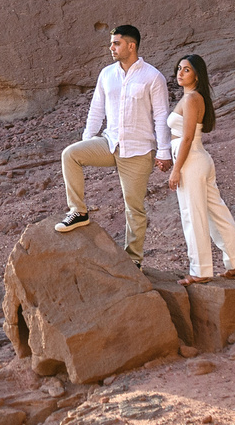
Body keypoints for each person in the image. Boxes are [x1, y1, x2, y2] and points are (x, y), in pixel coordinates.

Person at [57, 24, 170, 261]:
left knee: (134, 209)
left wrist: (164, 151)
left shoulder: (153, 77)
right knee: (70, 154)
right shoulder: (107, 74)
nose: (111, 47)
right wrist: (87, 141)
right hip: (109, 143)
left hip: (138, 151)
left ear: (131, 45)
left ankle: (134, 259)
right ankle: (78, 211)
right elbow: (96, 109)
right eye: (111, 43)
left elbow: (161, 116)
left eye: (116, 43)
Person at [167, 53, 235, 280]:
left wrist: (176, 169)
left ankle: (200, 271)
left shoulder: (192, 99)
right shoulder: (193, 97)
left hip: (190, 159)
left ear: (197, 75)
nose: (180, 73)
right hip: (197, 158)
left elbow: (186, 137)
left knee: (192, 215)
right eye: (179, 68)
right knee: (216, 212)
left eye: (187, 70)